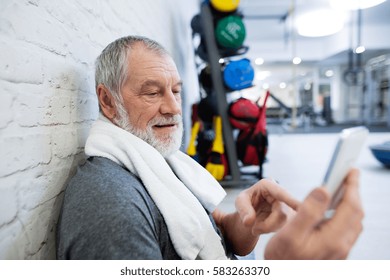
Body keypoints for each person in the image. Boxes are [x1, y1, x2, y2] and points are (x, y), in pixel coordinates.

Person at [56, 35, 364, 260]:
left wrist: (248, 223)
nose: (174, 108)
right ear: (108, 101)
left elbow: (218, 232)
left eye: (176, 91)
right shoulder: (110, 205)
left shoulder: (163, 162)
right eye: (152, 93)